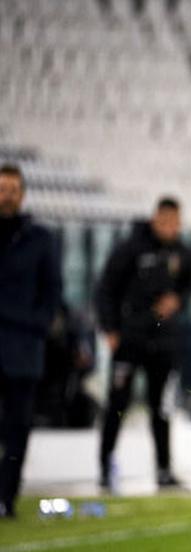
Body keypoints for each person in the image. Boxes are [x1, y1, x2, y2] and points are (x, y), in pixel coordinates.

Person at [95, 196, 191, 492]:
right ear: (155, 219)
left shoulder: (184, 252)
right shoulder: (131, 248)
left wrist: (177, 300)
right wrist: (110, 329)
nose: (170, 227)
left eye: (175, 222)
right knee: (118, 404)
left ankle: (164, 470)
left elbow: (189, 287)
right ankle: (106, 468)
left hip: (164, 342)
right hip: (130, 338)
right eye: (165, 221)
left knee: (161, 408)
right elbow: (106, 289)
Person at [0, 164, 63, 518]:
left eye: (12, 189)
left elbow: (52, 290)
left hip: (23, 348)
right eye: (2, 189)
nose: (6, 196)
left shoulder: (40, 238)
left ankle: (6, 497)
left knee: (18, 428)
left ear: (22, 195)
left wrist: (37, 326)